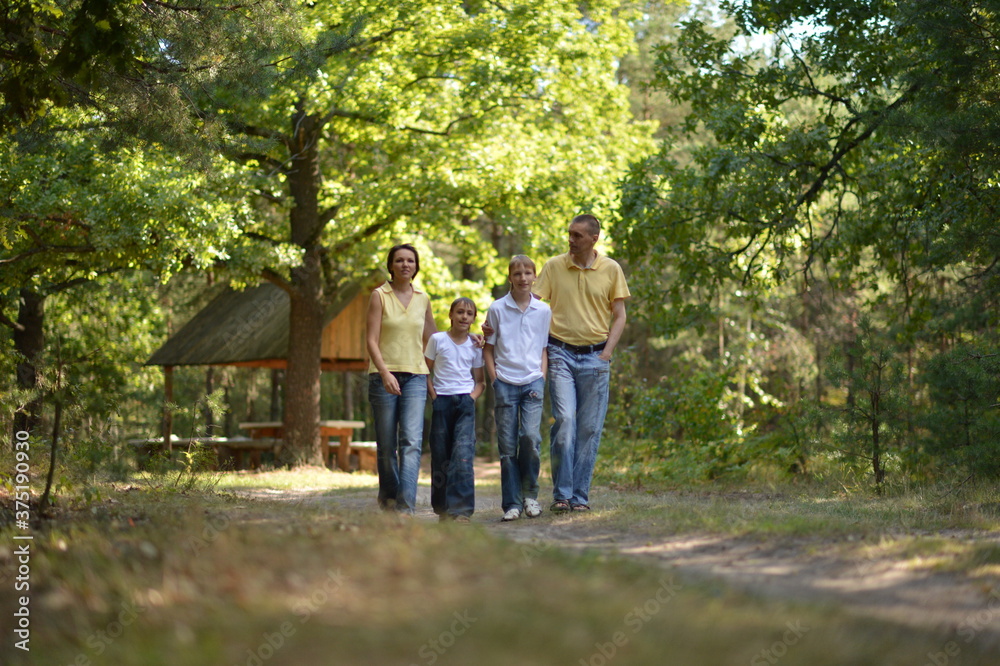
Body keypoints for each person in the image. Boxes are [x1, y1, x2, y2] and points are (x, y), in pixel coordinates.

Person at [533, 214, 630, 512]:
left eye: (577, 235)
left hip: (596, 357)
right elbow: (532, 310)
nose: (571, 240)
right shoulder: (553, 266)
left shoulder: (611, 269)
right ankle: (561, 495)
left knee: (589, 429)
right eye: (569, 234)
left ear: (593, 238)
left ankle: (579, 497)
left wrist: (606, 354)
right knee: (565, 422)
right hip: (560, 352)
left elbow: (620, 315)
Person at [366, 243, 437, 514]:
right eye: (399, 260)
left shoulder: (423, 298)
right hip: (382, 376)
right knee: (386, 443)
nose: (405, 265)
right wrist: (384, 373)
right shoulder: (379, 295)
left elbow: (433, 338)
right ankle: (389, 496)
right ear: (391, 266)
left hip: (417, 376)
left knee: (411, 441)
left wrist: (467, 339)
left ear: (416, 266)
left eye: (410, 260)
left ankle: (404, 506)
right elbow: (371, 340)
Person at [483, 256, 552, 522]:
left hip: (533, 381)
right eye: (517, 273)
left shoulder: (543, 311)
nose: (523, 278)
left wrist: (542, 377)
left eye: (527, 273)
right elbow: (488, 348)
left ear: (535, 276)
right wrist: (495, 379)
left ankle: (530, 496)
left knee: (531, 439)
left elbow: (544, 348)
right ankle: (511, 503)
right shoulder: (497, 309)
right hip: (505, 383)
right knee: (508, 446)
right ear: (510, 277)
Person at [425, 297, 486, 522]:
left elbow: (481, 382)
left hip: (465, 404)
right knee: (441, 455)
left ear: (473, 318)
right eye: (460, 312)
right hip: (441, 401)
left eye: (469, 314)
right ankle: (443, 509)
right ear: (451, 314)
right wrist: (434, 397)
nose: (464, 317)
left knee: (462, 455)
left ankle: (461, 510)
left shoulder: (475, 345)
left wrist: (470, 399)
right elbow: (425, 372)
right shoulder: (437, 340)